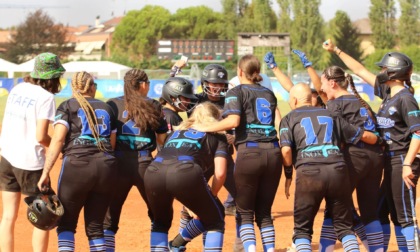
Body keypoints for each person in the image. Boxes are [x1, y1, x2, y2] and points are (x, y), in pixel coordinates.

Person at [323, 39, 420, 252]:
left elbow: (418, 134)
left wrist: (408, 164)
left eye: (385, 68)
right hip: (388, 161)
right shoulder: (387, 93)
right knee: (380, 209)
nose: (382, 72)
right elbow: (358, 70)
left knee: (403, 215)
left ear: (394, 72)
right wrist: (336, 49)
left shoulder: (406, 99)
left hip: (402, 160)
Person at [290, 49, 385, 252]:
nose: (321, 88)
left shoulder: (335, 106)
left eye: (323, 83)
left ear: (332, 83)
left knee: (335, 209)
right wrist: (309, 67)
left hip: (355, 157)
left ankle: (326, 249)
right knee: (369, 212)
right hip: (376, 158)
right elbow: (372, 132)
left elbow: (337, 132)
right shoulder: (358, 101)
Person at [195, 54, 282, 252]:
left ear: (240, 72)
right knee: (265, 213)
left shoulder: (236, 91)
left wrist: (207, 127)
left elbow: (233, 122)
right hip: (273, 152)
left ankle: (249, 249)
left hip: (250, 153)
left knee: (244, 211)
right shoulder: (269, 93)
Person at [37, 71, 118, 252]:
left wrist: (45, 172)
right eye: (95, 85)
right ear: (90, 87)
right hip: (106, 167)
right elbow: (111, 145)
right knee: (96, 226)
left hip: (77, 166)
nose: (96, 88)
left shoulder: (67, 106)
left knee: (66, 224)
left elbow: (57, 140)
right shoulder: (107, 108)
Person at [0, 52, 65, 252]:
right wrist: (56, 145)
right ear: (53, 77)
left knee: (8, 216)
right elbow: (40, 136)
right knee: (43, 217)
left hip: (6, 157)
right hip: (30, 163)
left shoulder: (18, 87)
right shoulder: (46, 97)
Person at [144, 102, 228, 252]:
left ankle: (174, 245)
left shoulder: (174, 133)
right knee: (215, 218)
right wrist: (211, 197)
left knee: (160, 223)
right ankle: (176, 244)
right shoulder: (218, 137)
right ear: (215, 119)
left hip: (153, 171)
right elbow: (220, 173)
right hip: (184, 172)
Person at [103, 69, 168, 251]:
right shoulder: (153, 104)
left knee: (109, 217)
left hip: (119, 164)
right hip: (144, 163)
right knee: (158, 215)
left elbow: (109, 138)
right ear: (143, 85)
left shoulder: (113, 104)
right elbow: (162, 140)